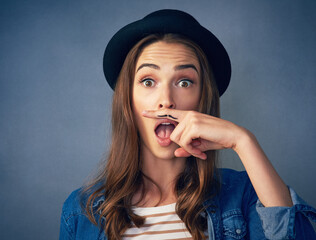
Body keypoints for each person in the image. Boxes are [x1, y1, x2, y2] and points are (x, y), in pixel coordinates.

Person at [59, 9, 316, 240]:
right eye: (148, 81)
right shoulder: (81, 211)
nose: (166, 101)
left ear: (202, 99)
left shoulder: (246, 194)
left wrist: (244, 141)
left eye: (185, 82)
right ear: (127, 100)